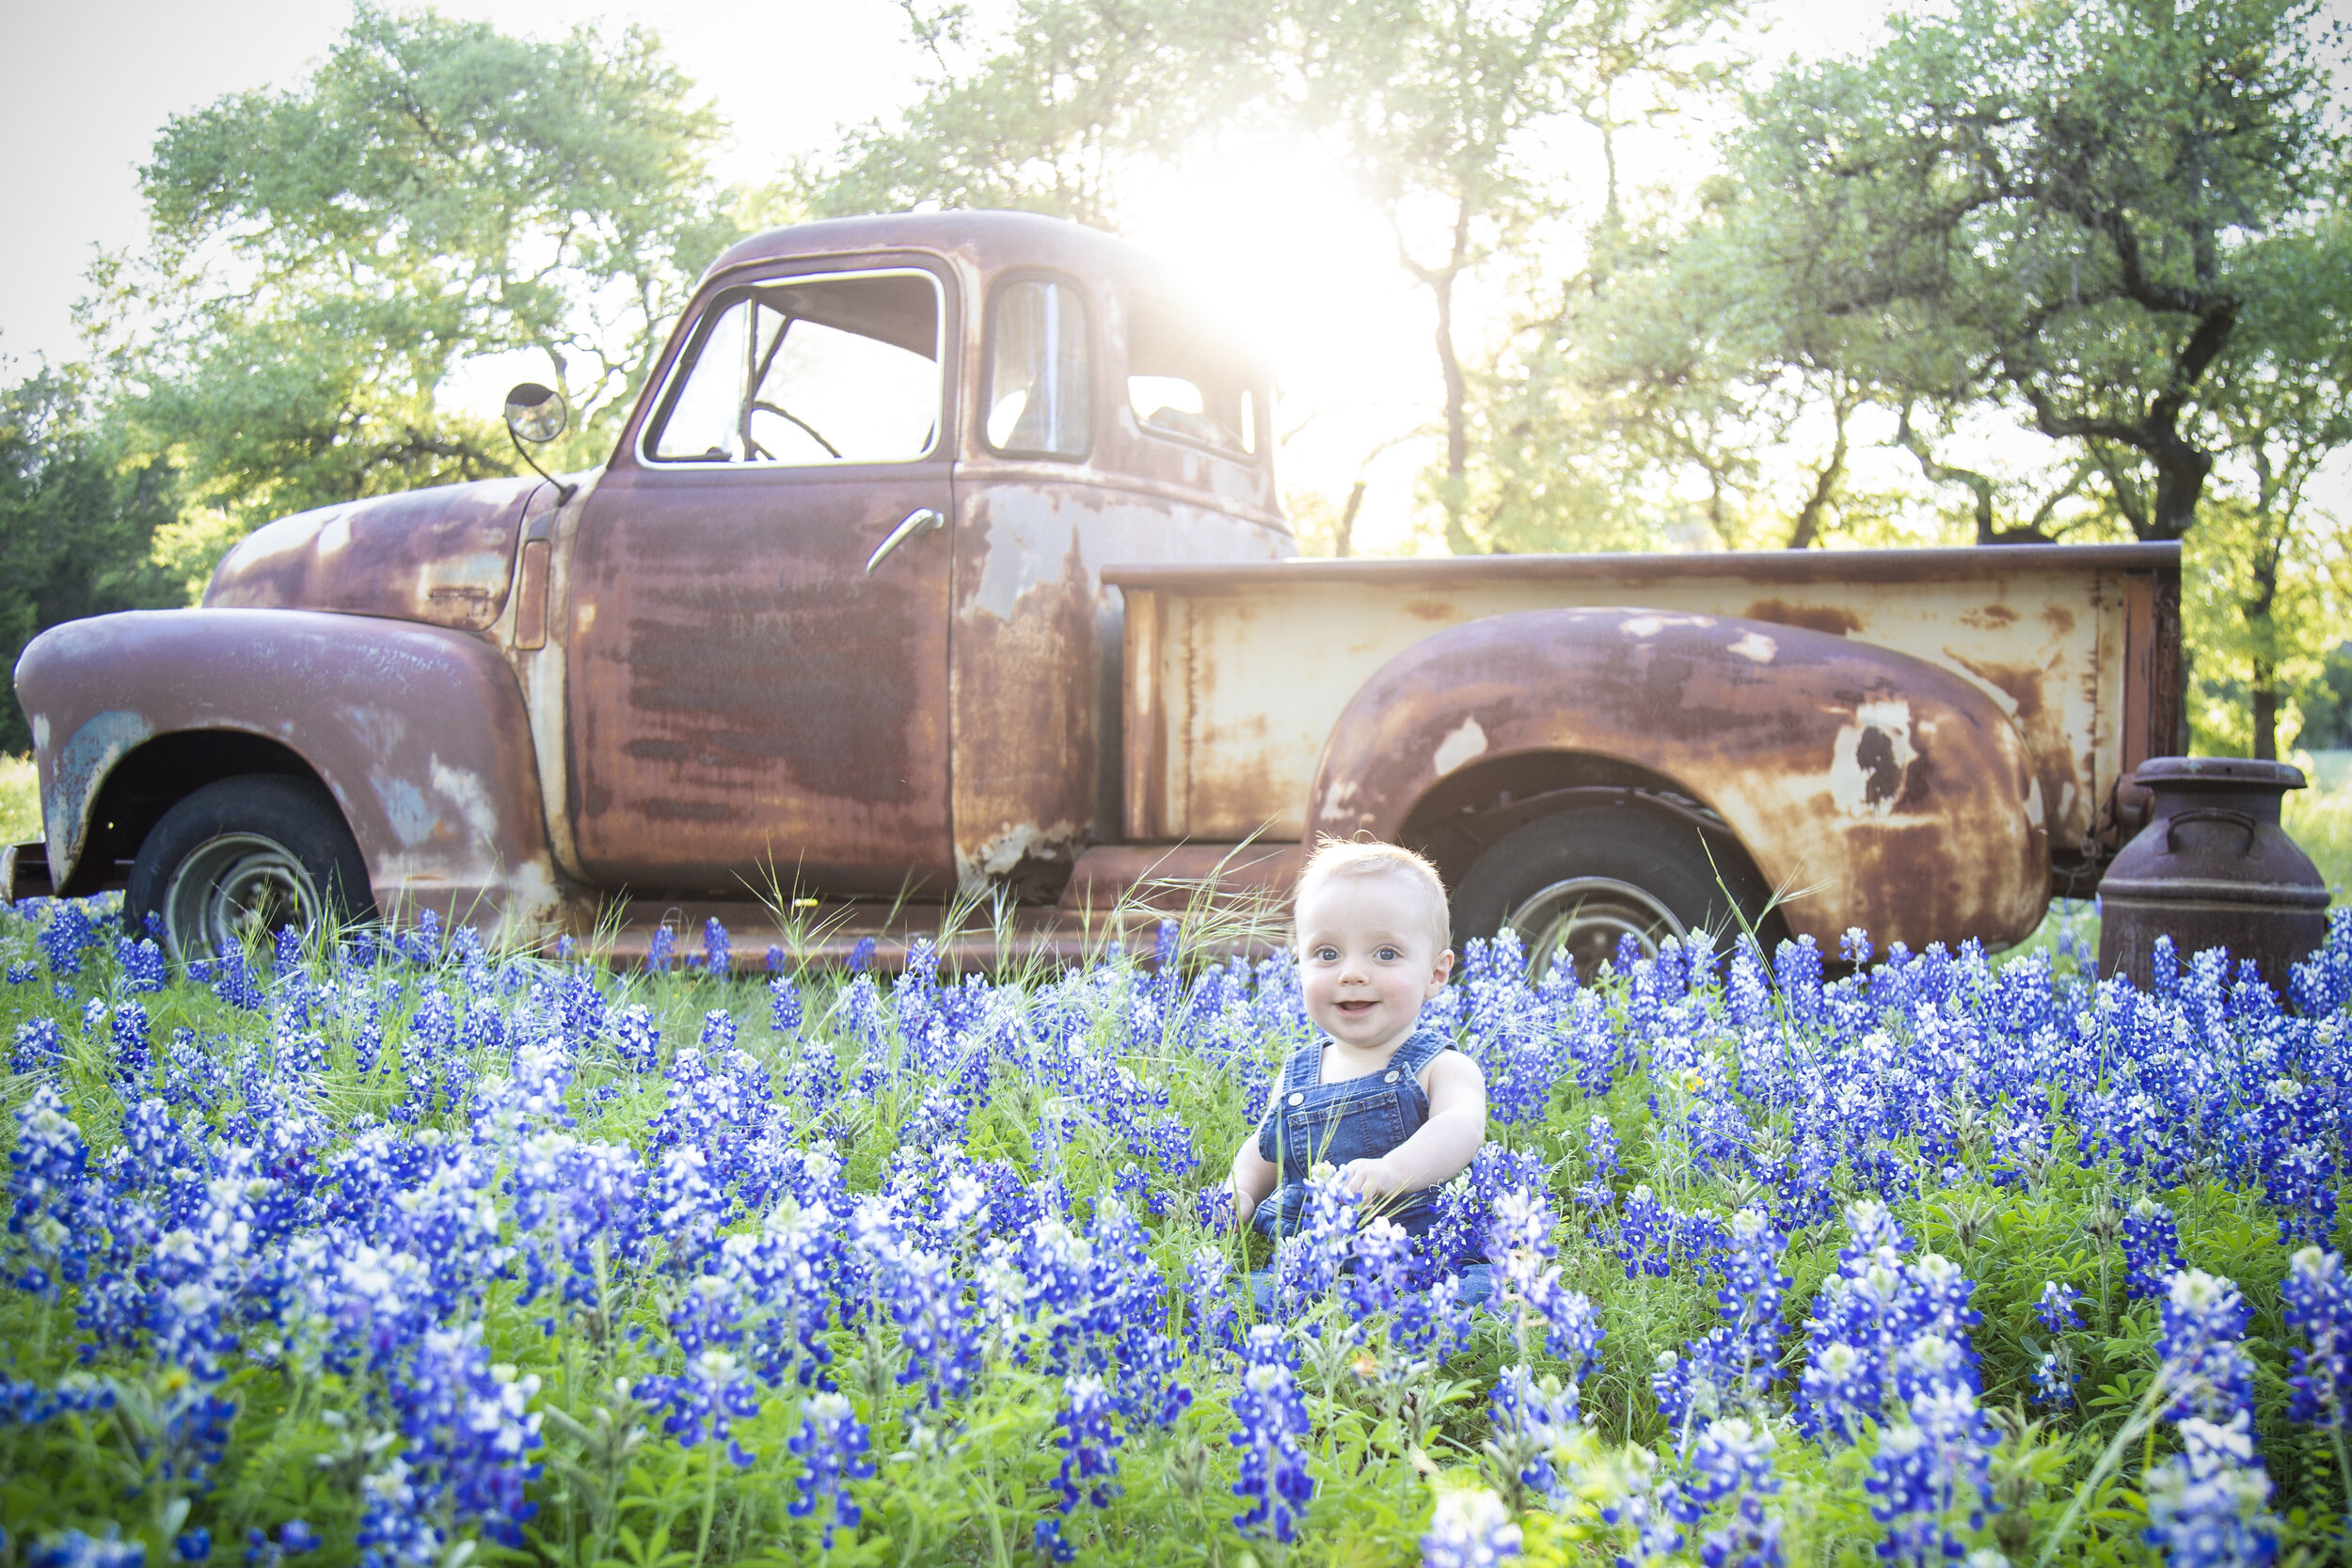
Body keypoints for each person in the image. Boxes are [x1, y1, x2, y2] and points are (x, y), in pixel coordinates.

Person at [1226, 837, 1491, 1306]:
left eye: (1385, 954)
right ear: (1299, 965)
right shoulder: (1296, 1075)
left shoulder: (1443, 1067)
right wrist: (1241, 1192)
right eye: (1327, 954)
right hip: (1308, 1266)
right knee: (1241, 1301)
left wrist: (1394, 1171)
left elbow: (1461, 1128)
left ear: (1436, 973)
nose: (1352, 973)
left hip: (1418, 1263)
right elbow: (1266, 1149)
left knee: (1480, 1298)